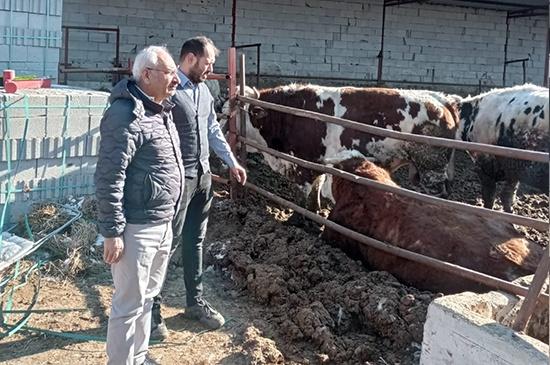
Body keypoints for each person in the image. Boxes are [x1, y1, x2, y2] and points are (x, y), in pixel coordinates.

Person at [151, 36, 247, 339]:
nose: (210, 70)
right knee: (167, 244)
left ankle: (195, 303)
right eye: (207, 63)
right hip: (176, 180)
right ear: (190, 59)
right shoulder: (167, 90)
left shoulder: (203, 91)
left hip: (203, 177)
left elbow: (212, 129)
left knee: (195, 241)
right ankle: (152, 310)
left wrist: (230, 161)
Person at [95, 45, 183, 365]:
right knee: (128, 304)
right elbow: (109, 176)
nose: (176, 79)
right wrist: (112, 231)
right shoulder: (125, 114)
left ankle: (139, 356)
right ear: (147, 75)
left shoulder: (159, 109)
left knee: (147, 299)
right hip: (136, 226)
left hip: (160, 222)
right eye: (169, 72)